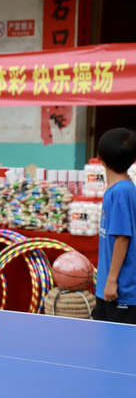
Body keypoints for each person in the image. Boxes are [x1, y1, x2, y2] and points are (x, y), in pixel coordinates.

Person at [93, 127, 136, 325]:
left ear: (100, 157)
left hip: (120, 290)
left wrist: (111, 281)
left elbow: (122, 238)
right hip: (108, 288)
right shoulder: (119, 189)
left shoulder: (121, 193)